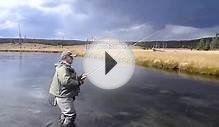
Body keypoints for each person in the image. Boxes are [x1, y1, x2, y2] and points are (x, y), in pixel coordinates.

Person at [49, 51, 86, 127]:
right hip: (63, 96)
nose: (73, 58)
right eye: (71, 57)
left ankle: (62, 124)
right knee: (71, 115)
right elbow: (66, 81)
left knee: (65, 114)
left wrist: (80, 77)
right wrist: (79, 83)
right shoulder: (62, 68)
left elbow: (69, 79)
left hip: (65, 95)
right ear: (65, 58)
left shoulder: (66, 67)